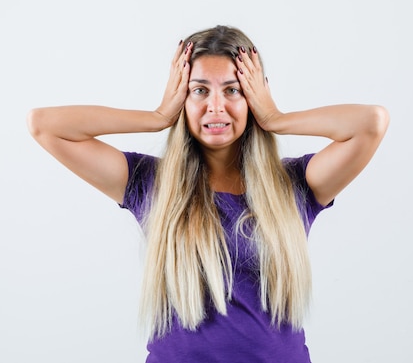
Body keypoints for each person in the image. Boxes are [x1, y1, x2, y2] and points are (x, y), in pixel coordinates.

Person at [27, 25, 389, 362]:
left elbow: (371, 123)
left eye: (232, 90)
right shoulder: (150, 182)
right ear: (182, 98)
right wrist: (156, 116)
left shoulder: (295, 183)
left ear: (254, 96)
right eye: (199, 90)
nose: (216, 106)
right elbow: (45, 126)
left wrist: (276, 118)